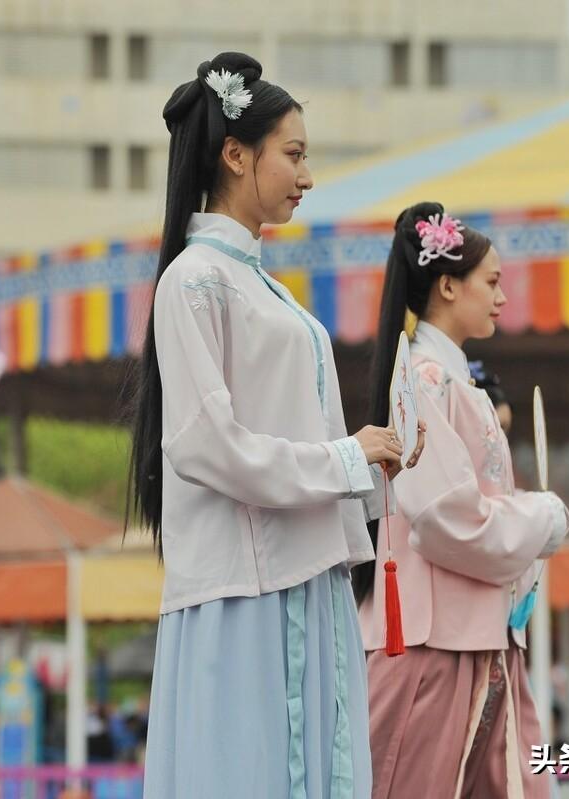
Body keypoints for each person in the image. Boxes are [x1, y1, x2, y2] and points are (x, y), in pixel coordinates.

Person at [128, 52, 422, 799]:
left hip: (307, 576)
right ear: (235, 153)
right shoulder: (195, 282)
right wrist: (345, 459)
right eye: (293, 154)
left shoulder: (268, 291)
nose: (306, 175)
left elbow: (313, 446)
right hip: (242, 592)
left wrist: (371, 472)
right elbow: (203, 443)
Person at [353, 202, 569, 799]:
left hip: (476, 638)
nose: (503, 297)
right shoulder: (424, 379)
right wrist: (542, 515)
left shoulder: (445, 381)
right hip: (434, 647)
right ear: (448, 285)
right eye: (493, 282)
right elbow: (444, 517)